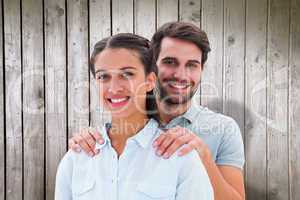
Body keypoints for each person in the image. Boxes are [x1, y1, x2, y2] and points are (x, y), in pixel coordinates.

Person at [69, 22, 245, 200]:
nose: (181, 75)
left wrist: (204, 156)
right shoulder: (125, 123)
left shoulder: (223, 129)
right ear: (152, 67)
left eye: (192, 65)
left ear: (201, 70)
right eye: (170, 62)